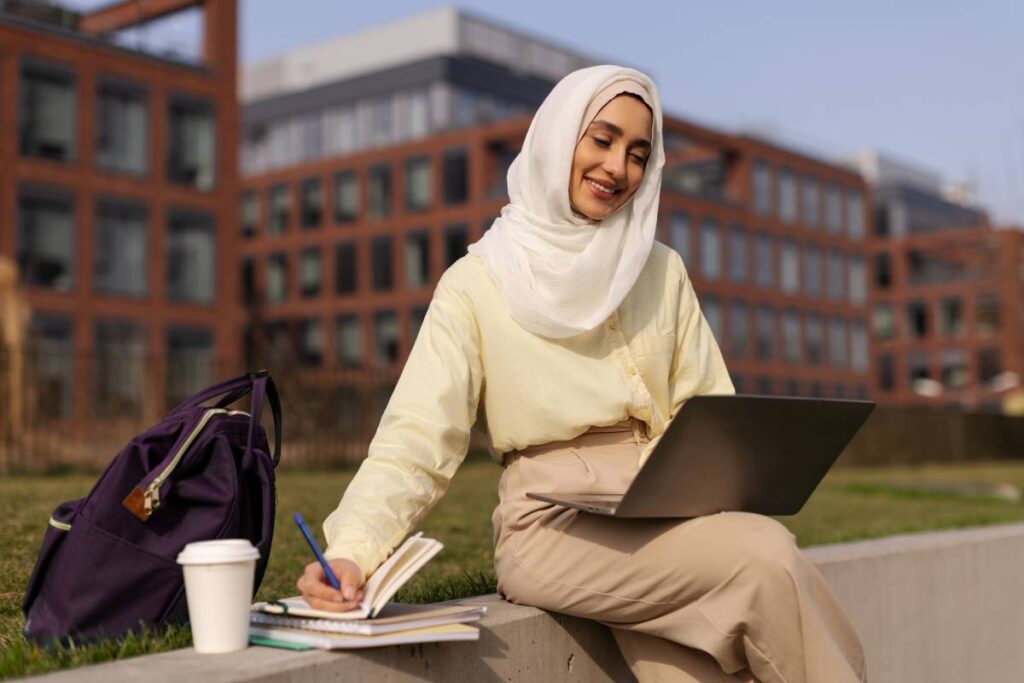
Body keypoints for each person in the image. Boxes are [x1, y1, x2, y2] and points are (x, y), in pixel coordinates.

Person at [297, 65, 866, 683]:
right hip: (552, 524)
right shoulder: (477, 282)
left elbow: (710, 409)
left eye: (638, 153)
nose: (618, 167)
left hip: (668, 512)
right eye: (601, 139)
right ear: (558, 137)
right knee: (766, 557)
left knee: (694, 669)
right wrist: (351, 552)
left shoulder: (660, 269)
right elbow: (416, 439)